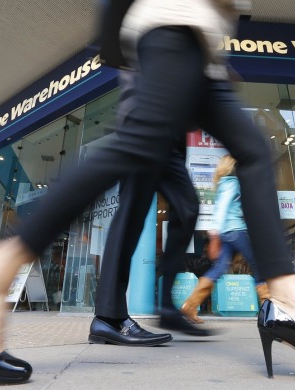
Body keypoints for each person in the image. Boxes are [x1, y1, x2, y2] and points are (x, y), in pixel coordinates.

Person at [0, 1, 295, 385]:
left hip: (199, 47)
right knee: (139, 145)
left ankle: (287, 301)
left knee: (254, 150)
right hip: (170, 21)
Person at [88, 70, 209, 345]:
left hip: (174, 139)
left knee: (187, 208)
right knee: (130, 218)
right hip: (146, 123)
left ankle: (166, 306)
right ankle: (109, 317)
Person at [181, 154, 270, 324]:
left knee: (218, 269)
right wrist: (214, 233)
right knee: (258, 264)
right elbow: (221, 209)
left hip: (226, 234)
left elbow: (222, 208)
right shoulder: (232, 183)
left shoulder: (222, 184)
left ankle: (190, 306)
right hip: (236, 232)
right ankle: (267, 309)